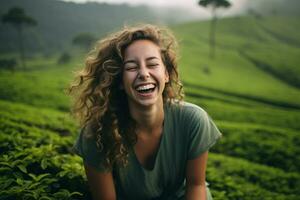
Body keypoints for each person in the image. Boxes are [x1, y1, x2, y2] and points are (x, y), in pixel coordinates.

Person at [69, 24, 222, 200]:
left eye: (152, 64)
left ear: (166, 74)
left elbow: (196, 185)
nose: (144, 74)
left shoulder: (193, 120)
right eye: (132, 67)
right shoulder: (97, 134)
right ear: (119, 80)